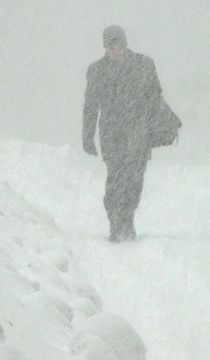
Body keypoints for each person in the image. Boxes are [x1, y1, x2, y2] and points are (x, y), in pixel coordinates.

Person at [82, 25, 163, 242]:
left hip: (139, 133)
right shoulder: (97, 70)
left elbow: (155, 98)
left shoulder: (144, 65)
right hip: (111, 135)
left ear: (125, 45)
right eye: (111, 47)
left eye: (119, 46)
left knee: (135, 180)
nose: (115, 51)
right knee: (116, 179)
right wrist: (87, 136)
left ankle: (127, 220)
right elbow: (90, 105)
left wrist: (160, 128)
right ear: (105, 48)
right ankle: (115, 224)